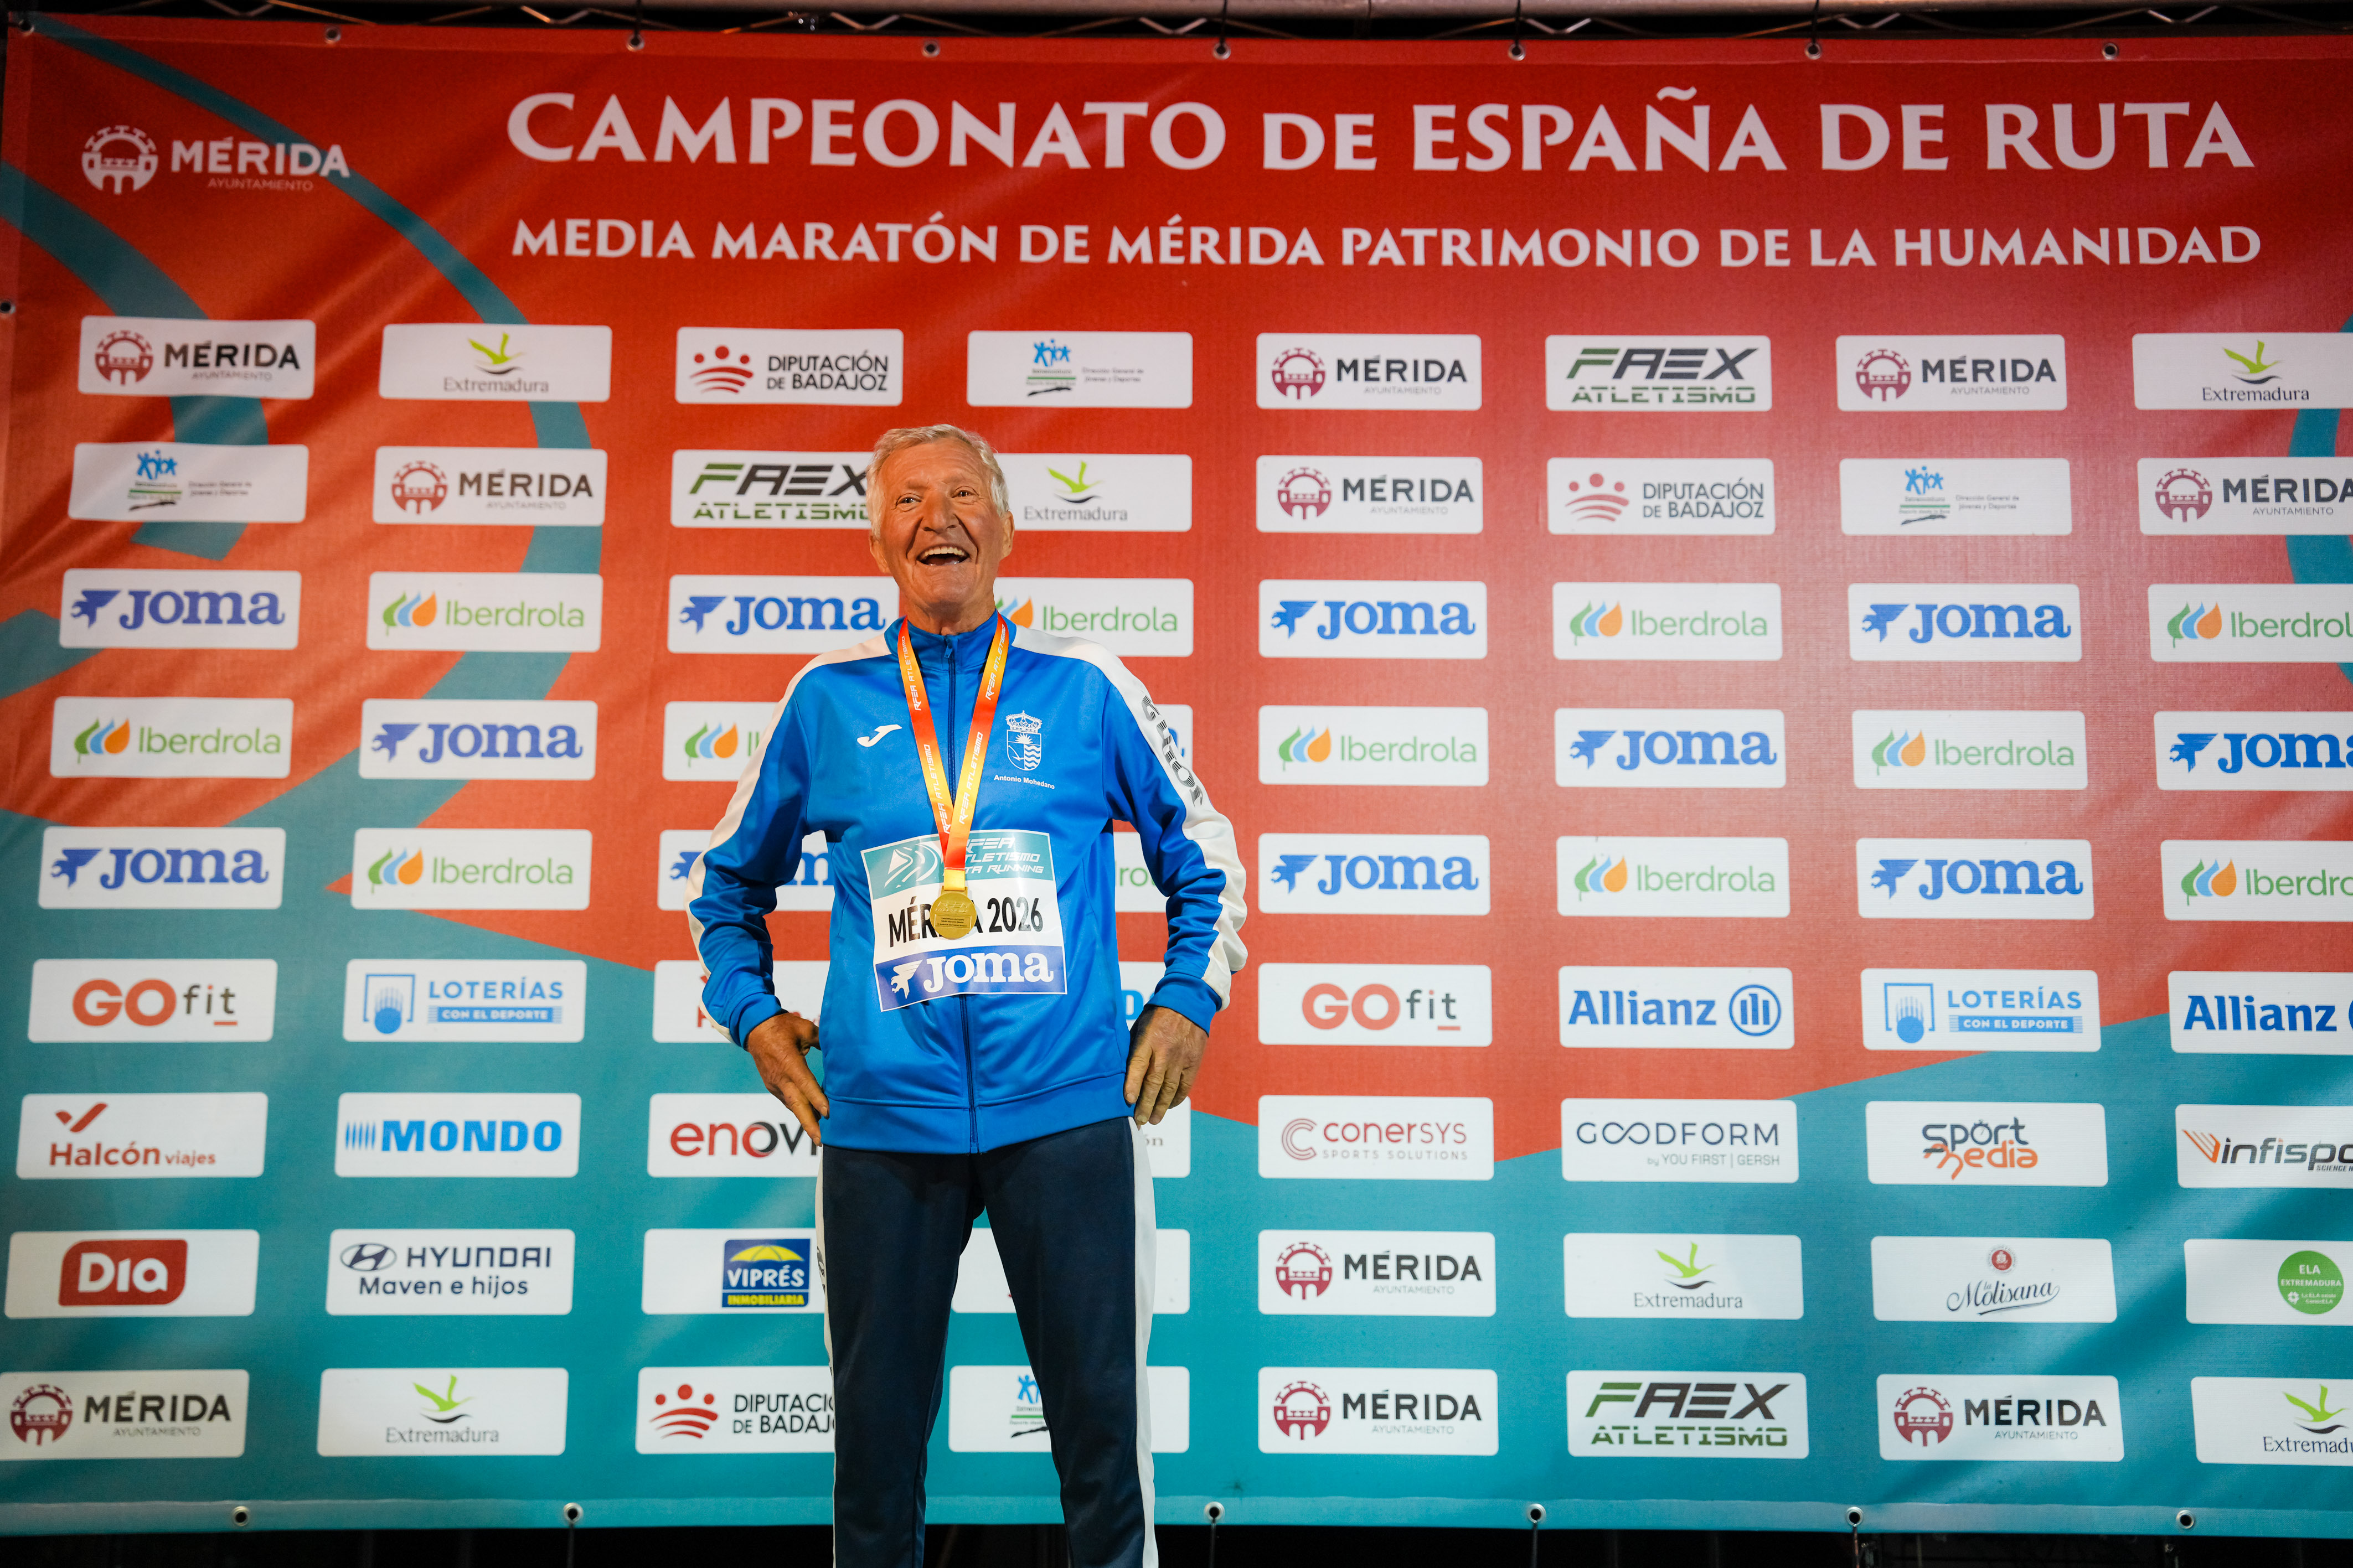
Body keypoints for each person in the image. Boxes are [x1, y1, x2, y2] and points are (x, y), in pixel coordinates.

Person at [687, 423, 1246, 1568]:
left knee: (1103, 1438)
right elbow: (724, 884)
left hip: (1067, 1112)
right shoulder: (824, 698)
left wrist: (1188, 993)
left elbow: (1207, 855)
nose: (935, 518)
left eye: (960, 495)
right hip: (884, 1124)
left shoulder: (1086, 685)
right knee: (874, 1452)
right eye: (906, 500)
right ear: (875, 541)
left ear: (1006, 527)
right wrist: (750, 1012)